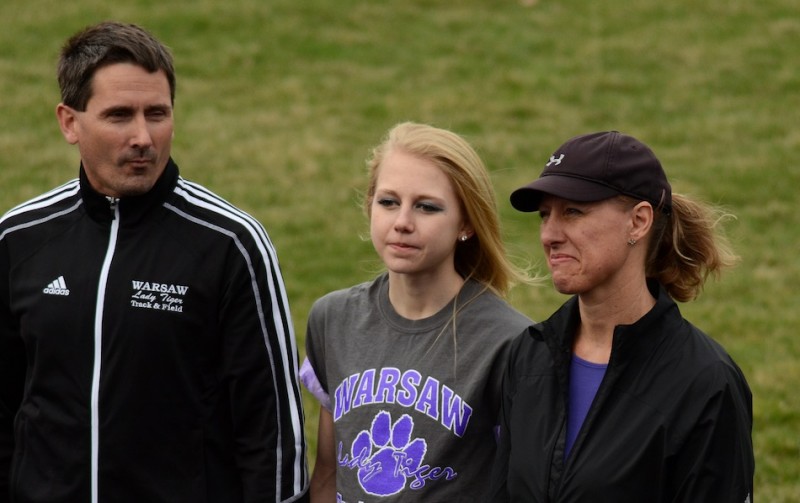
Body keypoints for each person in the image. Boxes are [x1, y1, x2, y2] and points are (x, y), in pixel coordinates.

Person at [0, 21, 308, 502]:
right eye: (120, 115)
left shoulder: (230, 244)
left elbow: (271, 432)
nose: (143, 136)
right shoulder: (20, 238)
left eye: (157, 113)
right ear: (69, 122)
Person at [488, 131, 754, 502]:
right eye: (545, 215)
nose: (549, 234)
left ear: (638, 221)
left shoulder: (705, 382)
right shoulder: (528, 356)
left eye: (573, 212)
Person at [299, 122, 533, 502]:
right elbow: (326, 473)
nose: (402, 222)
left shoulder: (511, 343)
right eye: (388, 202)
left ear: (467, 223)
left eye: (426, 207)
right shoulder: (333, 319)